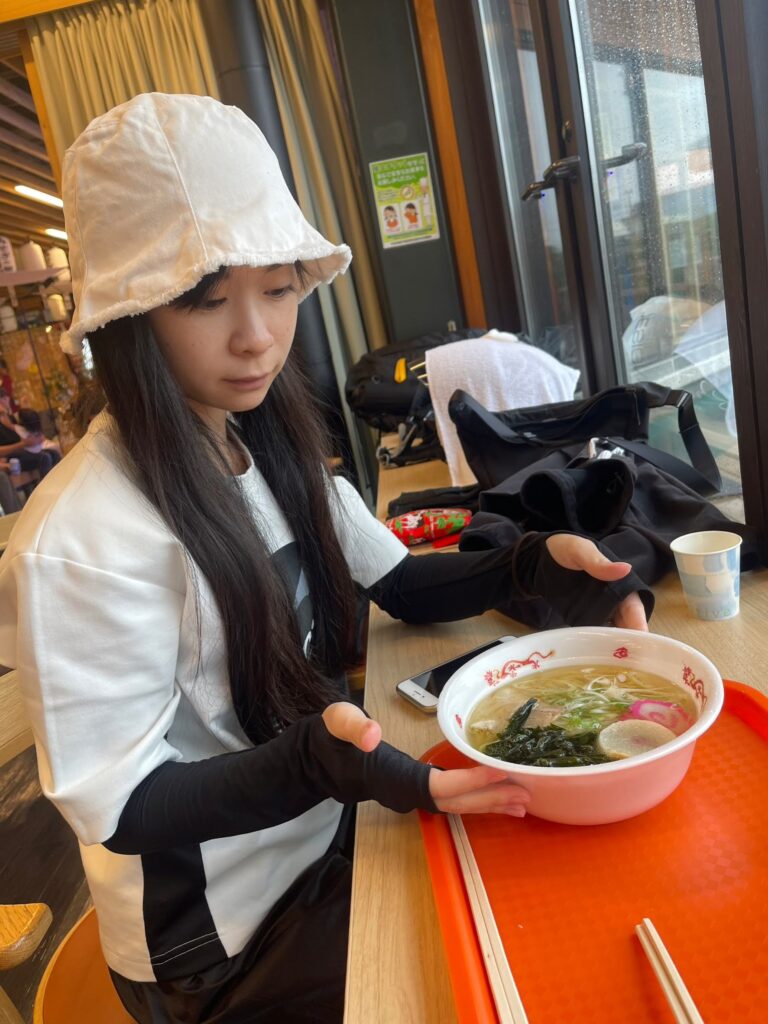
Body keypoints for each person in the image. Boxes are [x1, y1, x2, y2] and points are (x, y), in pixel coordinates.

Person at [0, 94, 651, 1024]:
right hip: (221, 947)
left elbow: (401, 581)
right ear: (126, 317)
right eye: (204, 298)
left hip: (328, 838)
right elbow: (125, 805)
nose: (257, 335)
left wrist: (529, 565)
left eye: (277, 288)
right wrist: (314, 762)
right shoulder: (79, 540)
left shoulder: (260, 443)